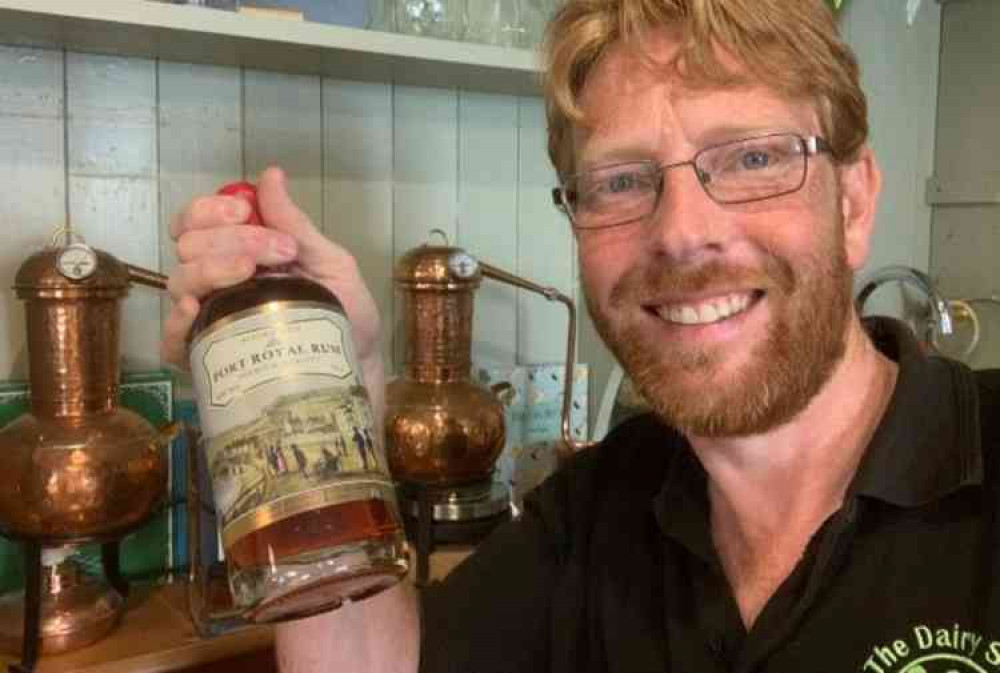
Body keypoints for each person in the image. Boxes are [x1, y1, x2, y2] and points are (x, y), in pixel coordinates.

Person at [161, 0, 1000, 671]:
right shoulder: (597, 513)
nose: (681, 232)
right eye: (622, 181)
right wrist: (343, 386)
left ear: (853, 203)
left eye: (751, 158)